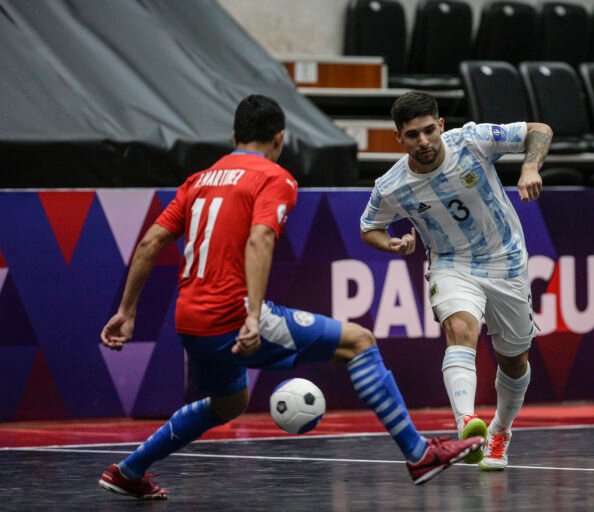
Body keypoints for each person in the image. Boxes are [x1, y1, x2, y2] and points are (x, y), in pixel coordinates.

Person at [98, 94, 482, 500]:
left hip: (190, 321)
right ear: (280, 139)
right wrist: (251, 315)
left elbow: (150, 243)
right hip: (233, 315)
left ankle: (129, 470)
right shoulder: (273, 177)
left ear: (234, 136)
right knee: (359, 342)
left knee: (228, 403)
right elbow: (260, 238)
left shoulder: (199, 180)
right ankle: (419, 454)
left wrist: (126, 311)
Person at [359, 91, 552, 471]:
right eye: (412, 135)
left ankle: (500, 430)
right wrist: (393, 243)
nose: (424, 141)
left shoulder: (473, 140)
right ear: (399, 138)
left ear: (441, 125)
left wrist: (530, 167)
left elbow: (539, 130)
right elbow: (369, 228)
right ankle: (467, 424)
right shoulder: (391, 185)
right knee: (459, 326)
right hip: (451, 264)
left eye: (429, 130)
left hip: (506, 261)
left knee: (514, 361)